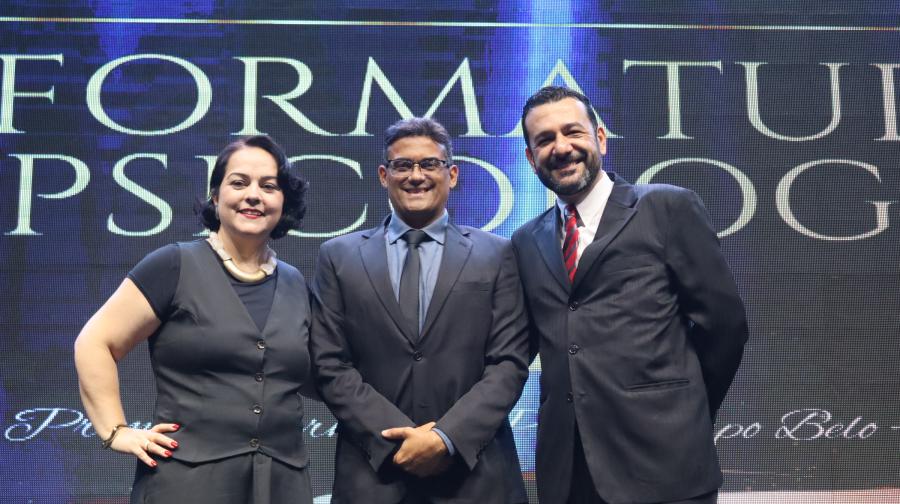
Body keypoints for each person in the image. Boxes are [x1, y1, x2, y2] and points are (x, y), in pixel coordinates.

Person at [512, 86, 749, 504]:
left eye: (573, 132)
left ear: (600, 138)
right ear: (531, 158)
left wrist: (685, 413)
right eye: (545, 140)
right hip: (568, 476)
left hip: (666, 467)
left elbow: (725, 327)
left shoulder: (666, 208)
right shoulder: (526, 241)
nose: (561, 148)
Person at [73, 135, 313, 504]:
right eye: (239, 183)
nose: (253, 195)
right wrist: (115, 430)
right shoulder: (173, 264)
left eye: (269, 186)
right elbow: (95, 342)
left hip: (281, 485)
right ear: (216, 196)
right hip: (187, 482)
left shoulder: (297, 284)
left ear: (284, 201)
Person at [310, 117, 529, 503]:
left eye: (429, 164)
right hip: (375, 478)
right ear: (383, 175)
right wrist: (403, 441)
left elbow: (508, 363)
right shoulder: (338, 256)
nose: (416, 176)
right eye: (402, 165)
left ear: (452, 175)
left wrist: (445, 439)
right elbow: (330, 364)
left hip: (476, 479)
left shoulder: (498, 254)